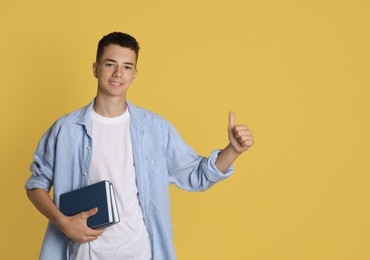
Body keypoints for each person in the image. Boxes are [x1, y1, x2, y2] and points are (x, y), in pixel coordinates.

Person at [25, 32, 254, 260]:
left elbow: (197, 175)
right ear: (95, 68)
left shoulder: (155, 129)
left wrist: (233, 150)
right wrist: (63, 222)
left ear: (134, 74)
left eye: (126, 67)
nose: (118, 73)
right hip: (83, 253)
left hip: (140, 252)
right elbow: (36, 184)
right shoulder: (66, 129)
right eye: (110, 64)